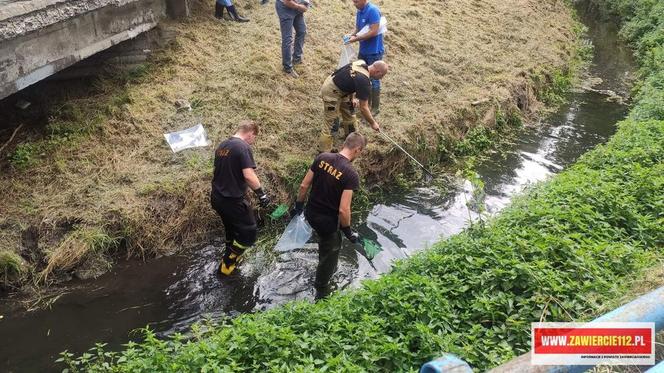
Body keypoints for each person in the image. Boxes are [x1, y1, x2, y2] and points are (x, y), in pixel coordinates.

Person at [291, 132, 366, 299]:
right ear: (357, 150)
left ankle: (322, 262)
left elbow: (304, 186)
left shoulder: (322, 157)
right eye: (360, 152)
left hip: (311, 214)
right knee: (331, 251)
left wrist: (298, 207)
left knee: (324, 244)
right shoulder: (351, 174)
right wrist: (348, 232)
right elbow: (343, 210)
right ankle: (321, 289)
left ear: (345, 143)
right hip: (328, 222)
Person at [211, 120, 270, 275]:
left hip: (217, 197)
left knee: (231, 230)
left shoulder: (222, 145)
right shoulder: (242, 147)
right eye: (254, 137)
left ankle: (229, 255)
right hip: (231, 199)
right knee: (249, 233)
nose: (253, 141)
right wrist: (261, 194)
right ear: (250, 133)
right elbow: (249, 175)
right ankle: (227, 264)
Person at [318, 59, 388, 152]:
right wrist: (373, 123)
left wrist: (351, 98)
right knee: (330, 122)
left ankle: (351, 140)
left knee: (350, 113)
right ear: (377, 71)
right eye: (382, 75)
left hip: (343, 90)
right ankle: (324, 152)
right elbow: (363, 108)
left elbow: (350, 80)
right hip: (331, 91)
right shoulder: (364, 81)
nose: (381, 78)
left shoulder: (360, 63)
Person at [345, 0, 385, 115]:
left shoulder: (372, 10)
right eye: (353, 2)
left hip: (374, 51)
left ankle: (375, 107)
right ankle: (364, 103)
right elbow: (358, 28)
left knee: (373, 78)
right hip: (363, 50)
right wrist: (351, 35)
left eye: (356, 1)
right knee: (361, 74)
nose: (354, 4)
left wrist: (356, 39)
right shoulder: (360, 10)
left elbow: (373, 31)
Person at [276, 0, 309, 77]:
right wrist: (299, 6)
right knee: (287, 38)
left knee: (302, 31)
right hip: (285, 7)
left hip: (297, 4)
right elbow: (287, 2)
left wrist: (305, 4)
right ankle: (287, 68)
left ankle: (297, 59)